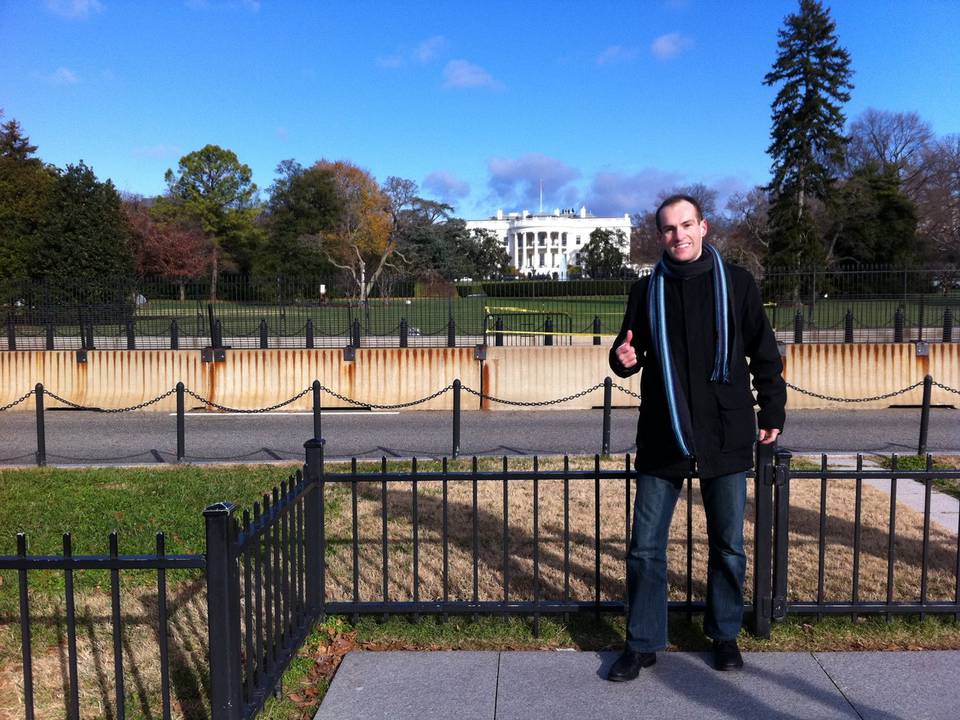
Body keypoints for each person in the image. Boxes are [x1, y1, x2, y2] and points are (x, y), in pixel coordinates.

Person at [606, 194, 786, 680]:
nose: (678, 235)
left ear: (704, 227)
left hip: (725, 433)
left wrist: (773, 407)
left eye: (686, 225)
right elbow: (627, 351)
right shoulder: (646, 291)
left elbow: (765, 356)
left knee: (728, 544)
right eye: (668, 229)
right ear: (658, 235)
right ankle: (642, 642)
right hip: (664, 433)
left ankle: (724, 634)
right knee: (645, 546)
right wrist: (621, 360)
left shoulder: (739, 285)